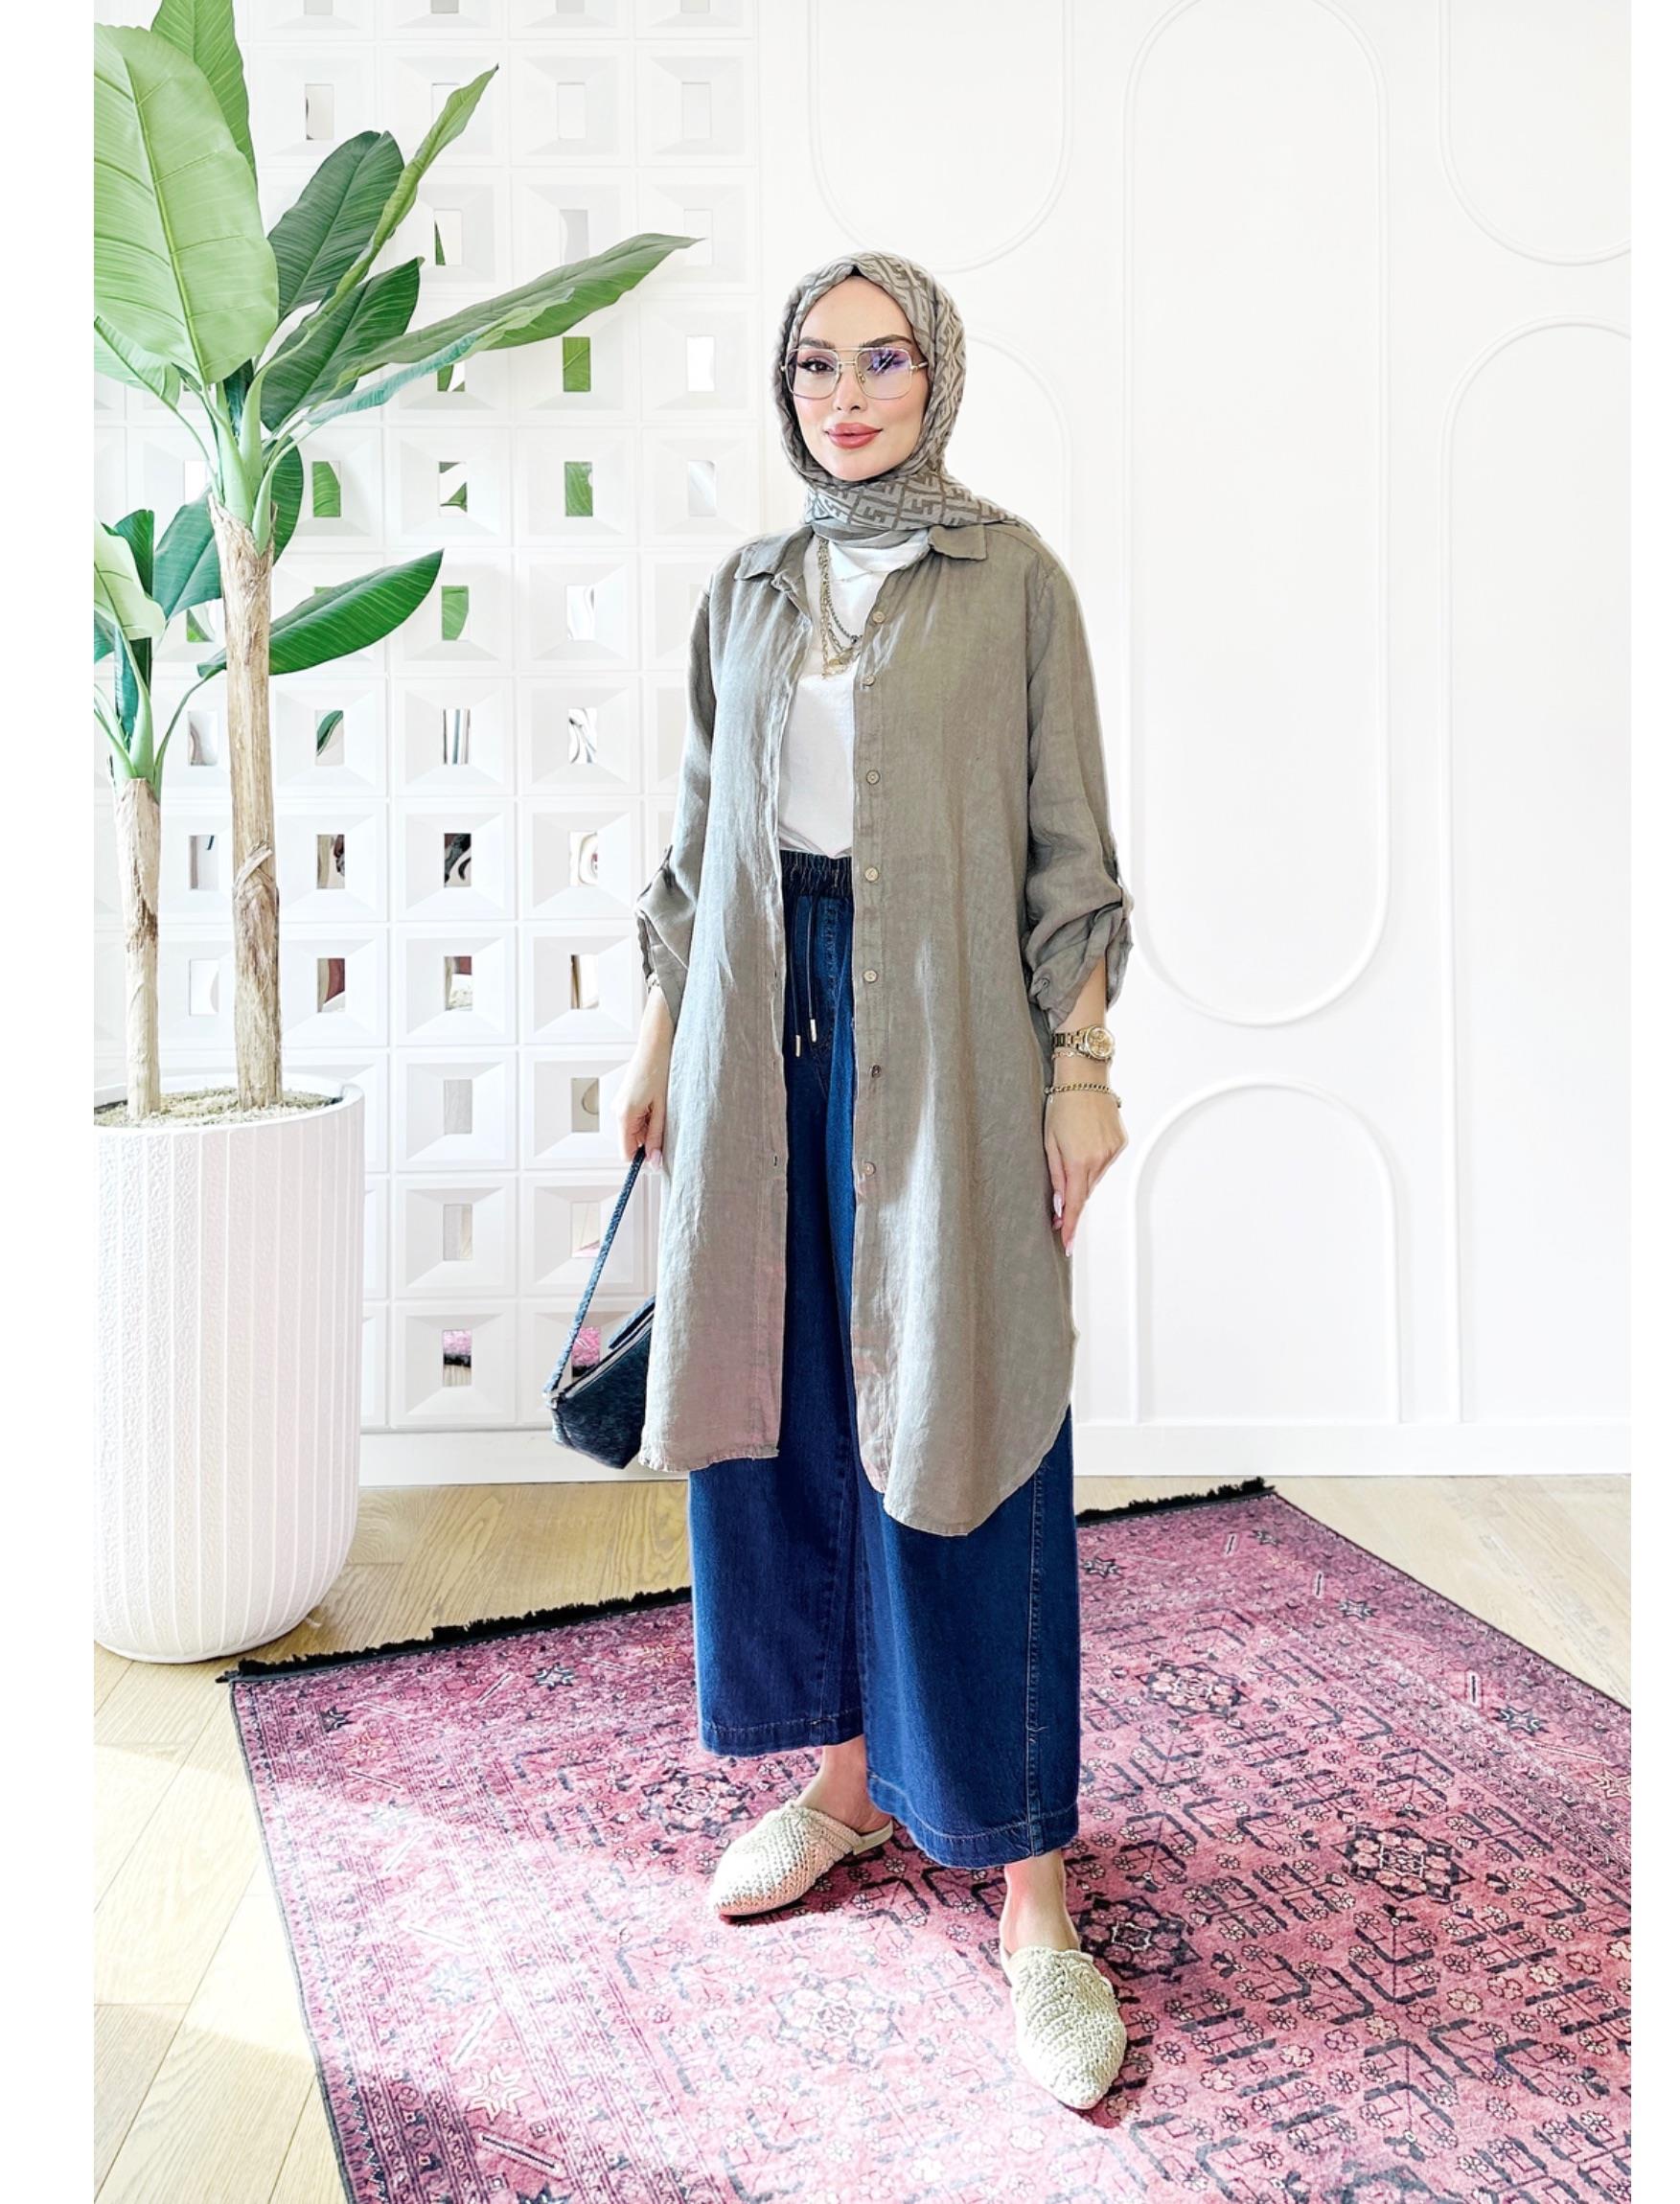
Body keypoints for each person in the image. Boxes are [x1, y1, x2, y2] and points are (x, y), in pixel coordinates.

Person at [617, 250, 1135, 2109]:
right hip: (760, 1028)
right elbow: (699, 841)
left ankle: (1030, 1889)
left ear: (940, 377)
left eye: (885, 361)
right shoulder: (750, 590)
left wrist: (1081, 1073)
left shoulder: (1013, 583)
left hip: (955, 1029)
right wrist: (659, 1045)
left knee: (969, 1404)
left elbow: (1069, 854)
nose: (847, 396)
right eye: (815, 365)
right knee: (793, 1412)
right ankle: (841, 1783)